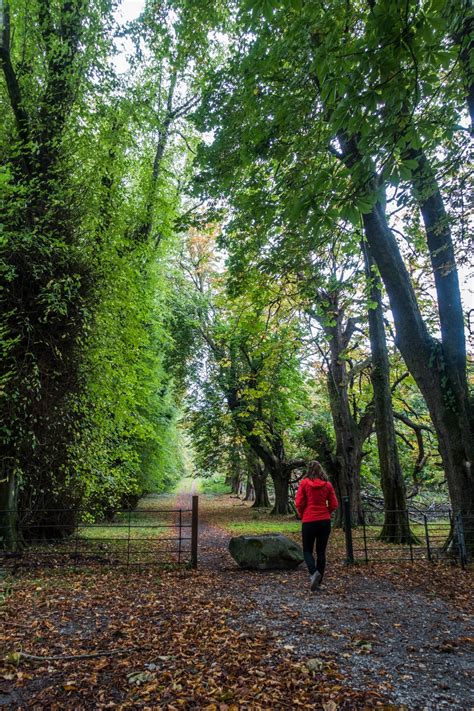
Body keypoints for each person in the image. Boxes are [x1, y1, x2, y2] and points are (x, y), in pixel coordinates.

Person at [295, 460, 338, 591]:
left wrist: (303, 514)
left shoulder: (304, 483)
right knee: (321, 551)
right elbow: (334, 504)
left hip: (309, 520)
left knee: (307, 550)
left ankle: (314, 574)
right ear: (321, 470)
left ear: (309, 470)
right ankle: (318, 582)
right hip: (324, 521)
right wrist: (327, 513)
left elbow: (299, 502)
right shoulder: (328, 485)